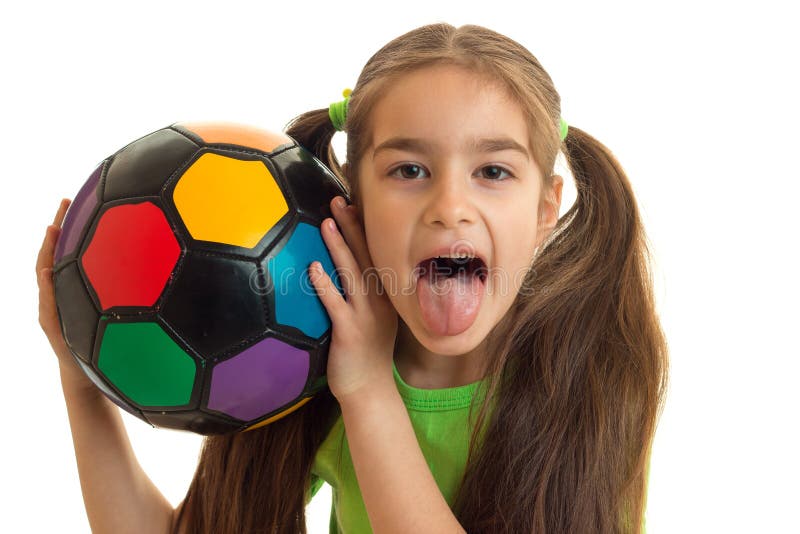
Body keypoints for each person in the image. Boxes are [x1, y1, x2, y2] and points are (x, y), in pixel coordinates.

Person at [37, 22, 668, 534]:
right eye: (409, 171)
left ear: (543, 210)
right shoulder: (301, 353)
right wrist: (81, 371)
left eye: (494, 172)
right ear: (351, 202)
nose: (450, 204)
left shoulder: (591, 373)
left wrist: (368, 390)